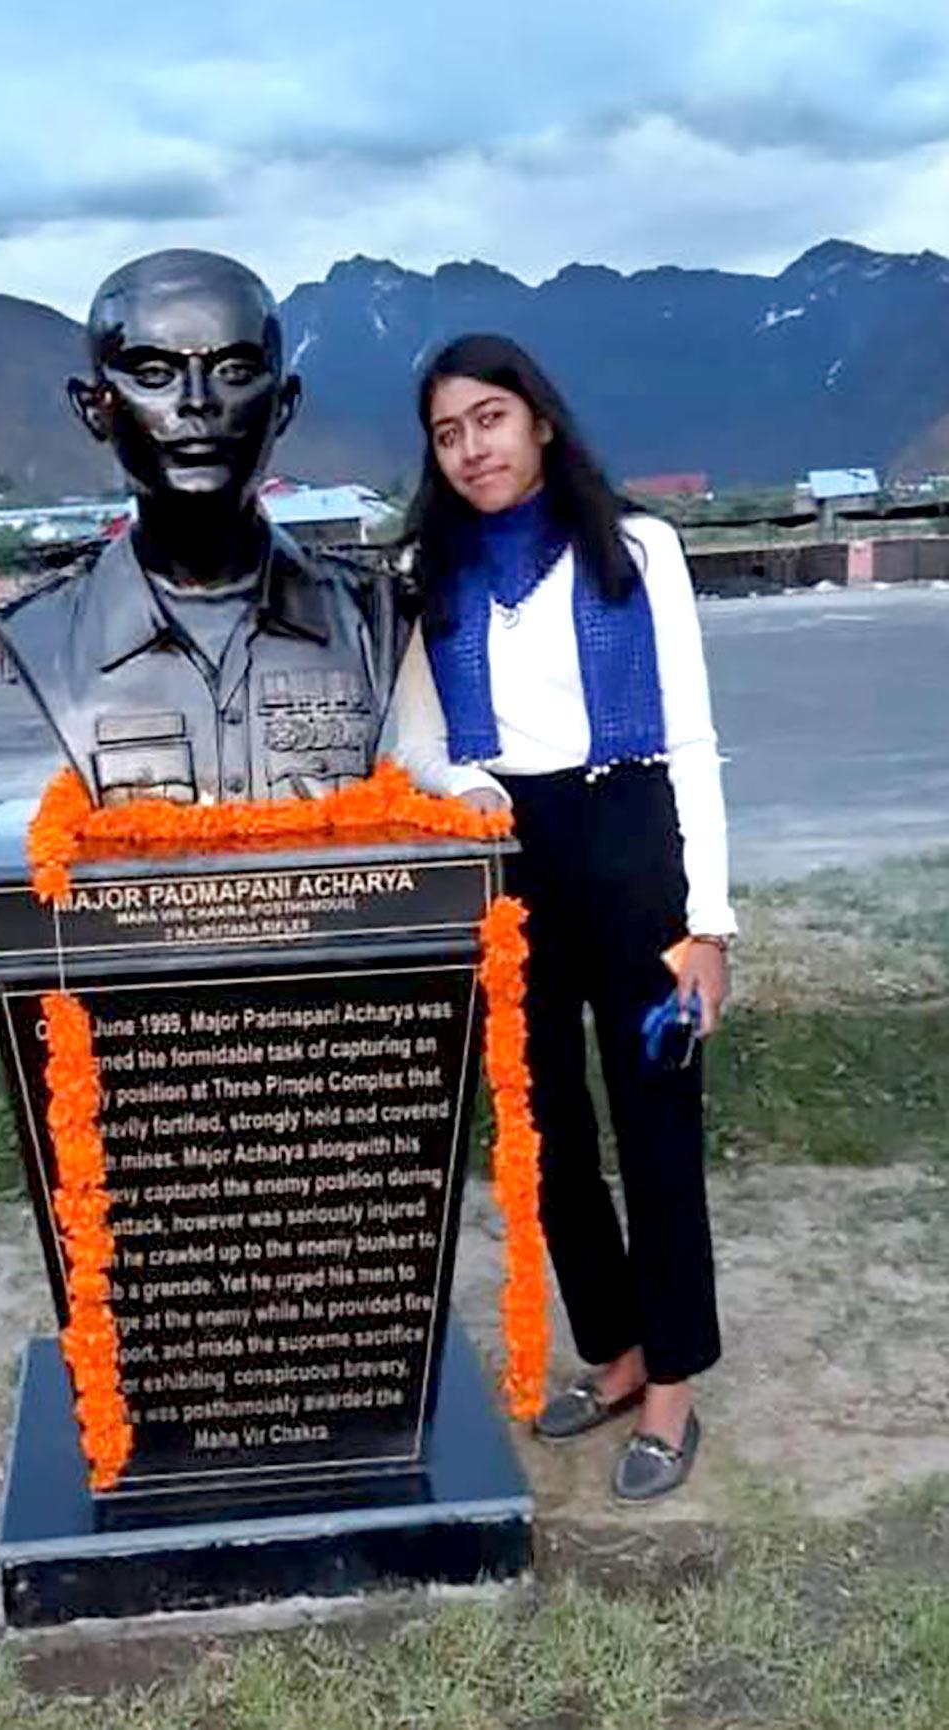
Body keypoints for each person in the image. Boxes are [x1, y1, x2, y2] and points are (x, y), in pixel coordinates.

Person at [385, 333, 735, 1501]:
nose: (471, 447)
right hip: (509, 860)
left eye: (489, 418)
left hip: (631, 841)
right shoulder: (429, 571)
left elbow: (690, 736)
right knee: (544, 1131)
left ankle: (674, 1378)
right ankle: (618, 1346)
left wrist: (709, 922)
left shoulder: (638, 547)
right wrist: (463, 783)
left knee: (656, 1118)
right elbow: (416, 737)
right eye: (448, 433)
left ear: (538, 419)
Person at [0, 249, 404, 807]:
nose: (197, 403)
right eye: (153, 375)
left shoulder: (377, 617)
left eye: (234, 372)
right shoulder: (45, 632)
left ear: (284, 404)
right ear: (94, 408)